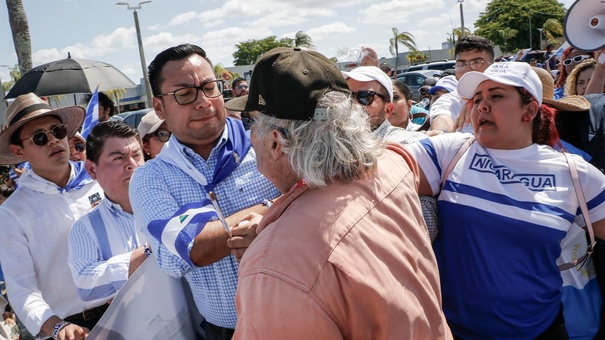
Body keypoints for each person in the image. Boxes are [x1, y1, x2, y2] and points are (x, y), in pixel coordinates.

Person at [232, 46, 451, 339]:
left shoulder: (272, 267)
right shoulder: (393, 164)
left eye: (251, 121)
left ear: (275, 142)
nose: (248, 134)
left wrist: (278, 240)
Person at [406, 62, 605, 338]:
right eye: (477, 99)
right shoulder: (449, 152)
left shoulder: (574, 172)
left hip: (539, 331)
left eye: (496, 96)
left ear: (530, 110)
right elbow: (380, 169)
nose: (482, 107)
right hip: (451, 331)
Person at [129, 43, 280, 339]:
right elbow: (183, 253)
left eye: (210, 87)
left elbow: (316, 200)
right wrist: (272, 211)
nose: (203, 102)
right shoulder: (151, 177)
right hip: (224, 331)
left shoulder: (269, 143)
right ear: (159, 107)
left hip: (301, 315)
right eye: (184, 94)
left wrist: (226, 231)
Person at [0, 93, 104, 340]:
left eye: (57, 131)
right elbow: (21, 288)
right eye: (39, 137)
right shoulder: (13, 213)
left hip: (128, 308)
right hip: (68, 330)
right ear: (19, 151)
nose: (53, 141)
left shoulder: (98, 179)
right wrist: (57, 327)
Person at [68, 121, 148, 308]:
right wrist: (148, 253)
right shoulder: (85, 229)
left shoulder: (171, 201)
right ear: (91, 169)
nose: (132, 164)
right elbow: (85, 285)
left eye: (137, 155)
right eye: (118, 158)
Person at [429, 35, 495, 133]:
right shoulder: (450, 101)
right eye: (461, 64)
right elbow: (443, 118)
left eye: (476, 62)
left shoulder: (510, 94)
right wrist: (441, 132)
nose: (468, 70)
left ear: (492, 66)